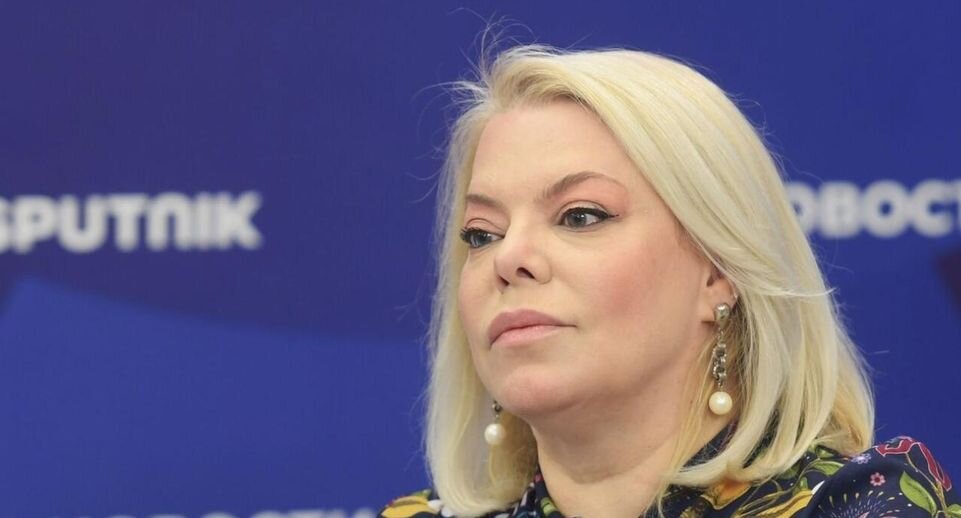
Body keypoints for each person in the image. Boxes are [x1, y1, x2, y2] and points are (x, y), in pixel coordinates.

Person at [379, 44, 959, 518]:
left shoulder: (863, 507)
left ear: (719, 270)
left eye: (580, 216)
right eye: (482, 234)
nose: (509, 258)